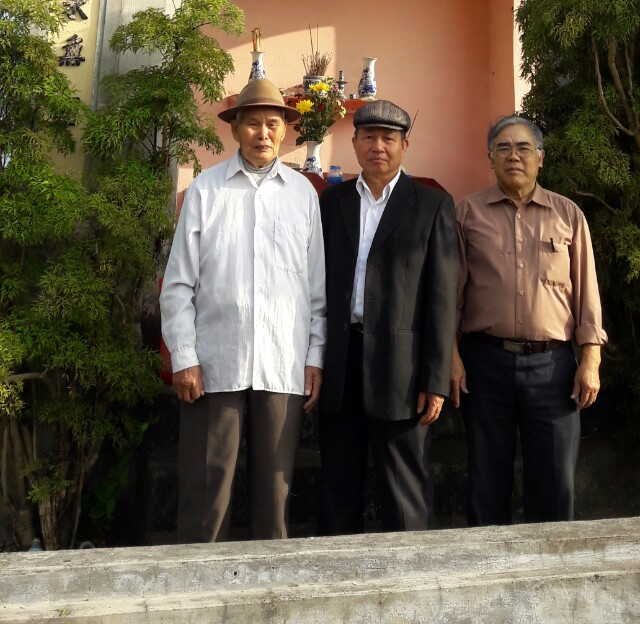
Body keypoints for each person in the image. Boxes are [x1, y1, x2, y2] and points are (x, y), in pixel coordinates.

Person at [160, 78, 326, 543]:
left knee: (275, 497)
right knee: (206, 499)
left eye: (273, 124)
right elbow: (178, 283)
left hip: (282, 362)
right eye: (252, 123)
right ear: (235, 129)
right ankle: (199, 581)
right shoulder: (206, 190)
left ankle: (269, 582)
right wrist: (185, 357)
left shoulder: (303, 194)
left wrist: (315, 357)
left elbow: (316, 289)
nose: (263, 133)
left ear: (286, 131)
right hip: (216, 362)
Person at [452, 114, 607, 526]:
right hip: (485, 363)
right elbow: (451, 294)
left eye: (524, 148)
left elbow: (587, 291)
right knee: (486, 481)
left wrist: (590, 359)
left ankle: (552, 561)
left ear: (541, 157)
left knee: (554, 483)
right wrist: (451, 355)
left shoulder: (567, 215)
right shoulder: (467, 214)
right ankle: (490, 561)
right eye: (503, 148)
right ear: (490, 158)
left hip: (553, 366)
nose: (514, 156)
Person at [318, 99, 457, 534]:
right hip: (341, 363)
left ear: (404, 146)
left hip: (402, 369)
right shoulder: (332, 202)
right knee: (338, 485)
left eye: (388, 138)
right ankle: (338, 570)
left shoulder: (432, 205)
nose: (378, 146)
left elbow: (442, 298)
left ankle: (413, 569)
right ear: (355, 143)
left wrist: (435, 379)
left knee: (404, 490)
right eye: (369, 137)